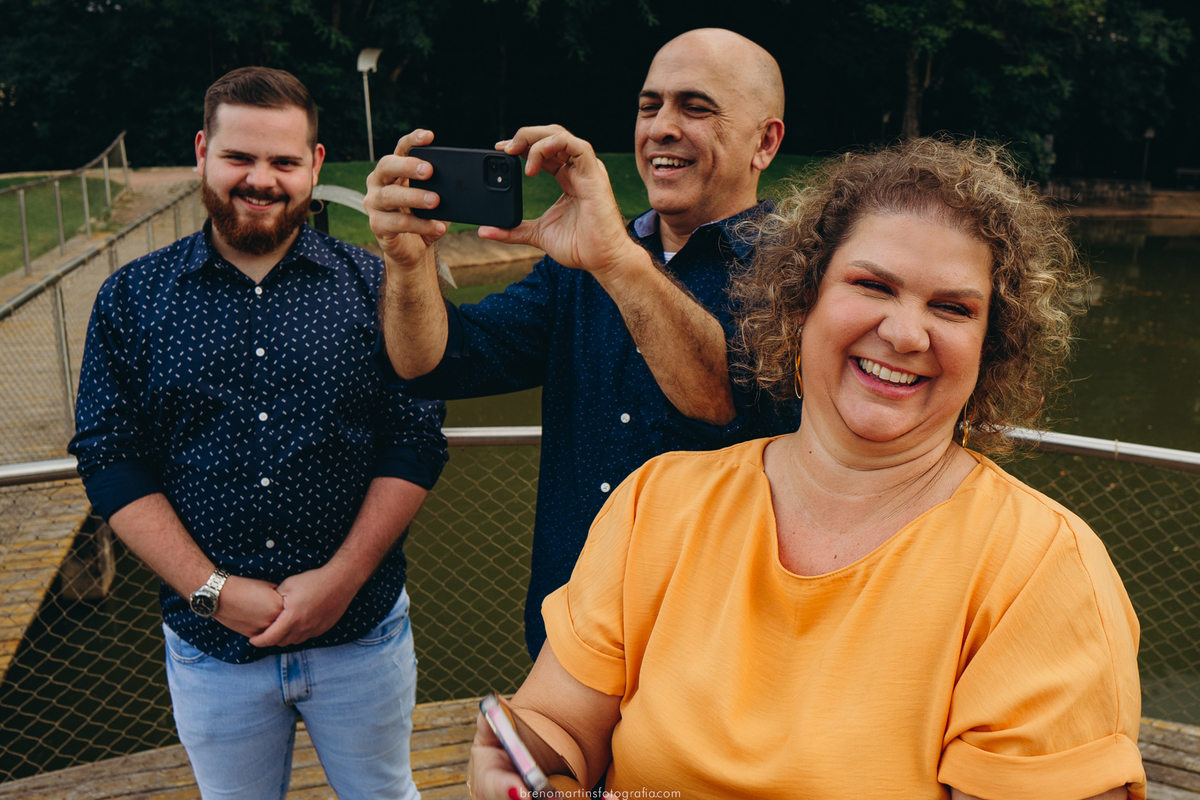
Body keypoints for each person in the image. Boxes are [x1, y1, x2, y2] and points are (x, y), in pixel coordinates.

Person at [464, 138, 1147, 800]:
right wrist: (516, 769)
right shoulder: (658, 502)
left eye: (952, 307)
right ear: (801, 300)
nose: (905, 333)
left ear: (991, 346)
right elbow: (556, 727)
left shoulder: (1041, 570)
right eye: (872, 285)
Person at [68, 66, 448, 799]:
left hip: (360, 634)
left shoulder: (378, 286)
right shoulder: (132, 298)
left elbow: (415, 437)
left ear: (315, 163)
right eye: (239, 157)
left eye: (283, 161)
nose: (261, 180)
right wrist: (211, 591)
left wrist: (341, 580)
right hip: (212, 646)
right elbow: (111, 459)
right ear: (202, 152)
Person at [365, 28, 798, 659]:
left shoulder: (805, 274)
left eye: (696, 108)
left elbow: (723, 401)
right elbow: (432, 363)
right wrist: (408, 263)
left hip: (711, 656)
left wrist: (617, 260)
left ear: (765, 143)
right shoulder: (580, 265)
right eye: (649, 106)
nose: (661, 128)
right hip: (566, 645)